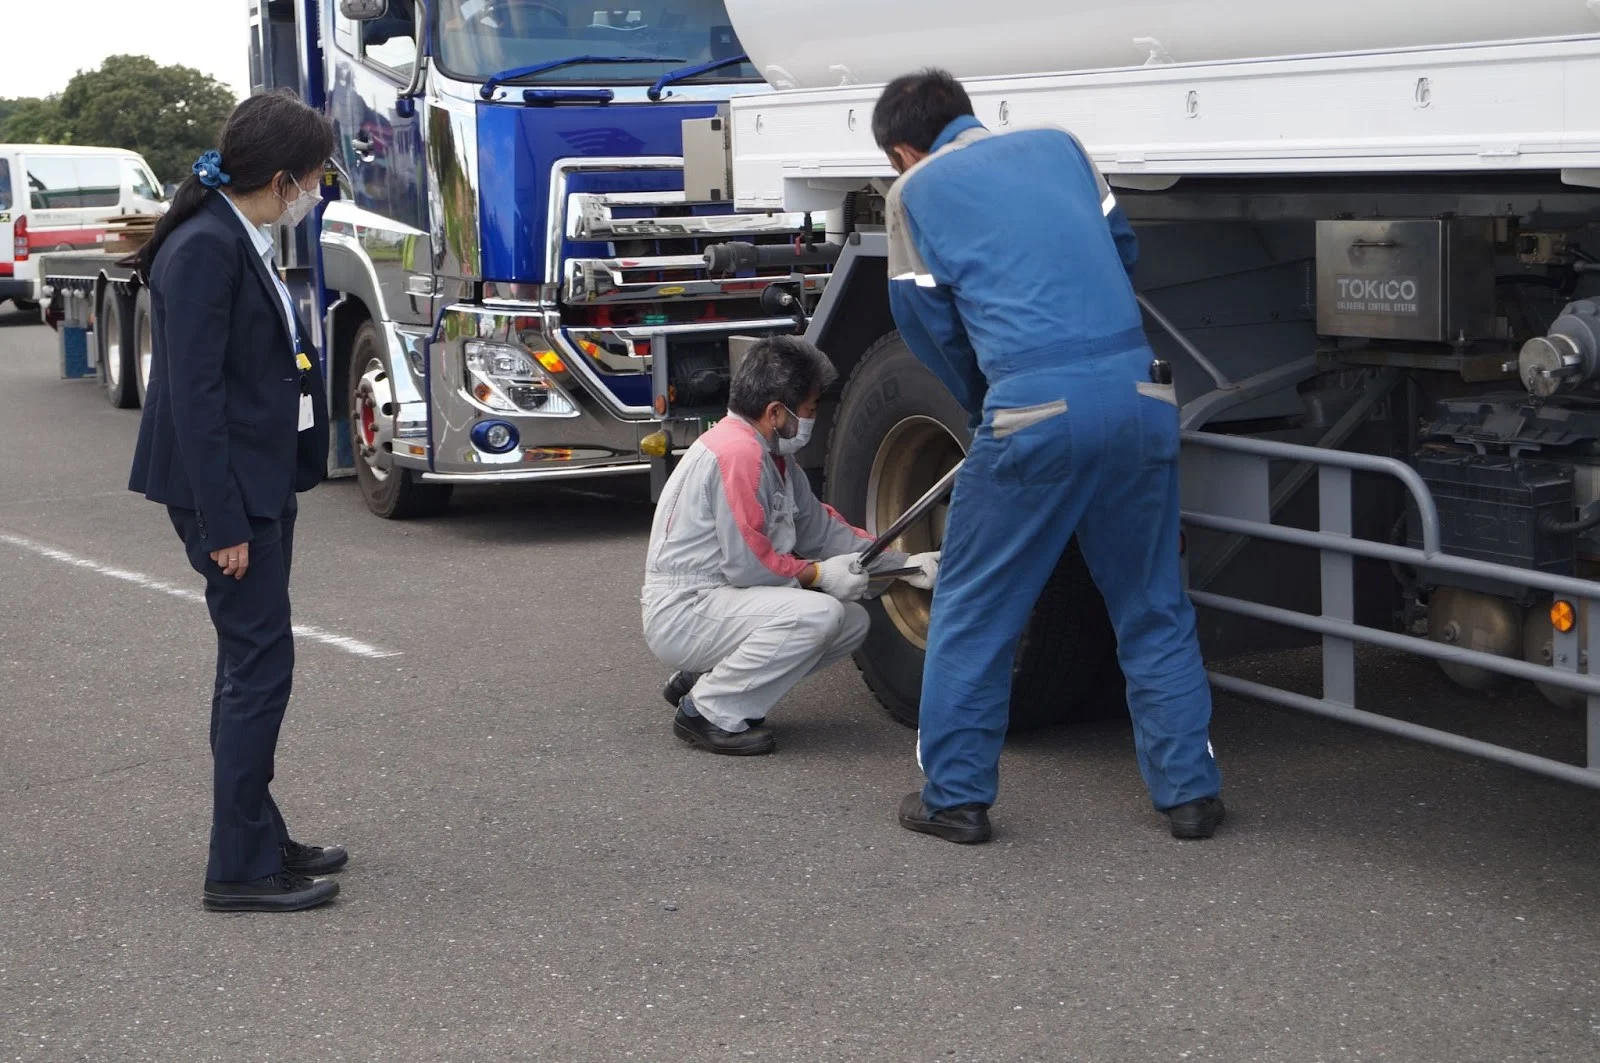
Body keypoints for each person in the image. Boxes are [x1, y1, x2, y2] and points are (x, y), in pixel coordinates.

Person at [872, 69, 1224, 845]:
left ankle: (954, 797)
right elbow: (1121, 249)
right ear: (967, 115)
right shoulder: (1064, 147)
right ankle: (1190, 794)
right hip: (1140, 395)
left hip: (1033, 408)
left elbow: (926, 322)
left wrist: (987, 399)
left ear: (903, 149)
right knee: (1153, 601)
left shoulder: (915, 193)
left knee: (974, 603)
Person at [127, 92, 343, 912]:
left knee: (249, 665)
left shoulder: (237, 234)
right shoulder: (204, 248)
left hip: (256, 480)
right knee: (260, 669)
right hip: (226, 495)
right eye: (316, 176)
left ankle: (256, 832)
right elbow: (194, 399)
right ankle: (240, 867)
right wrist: (224, 524)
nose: (318, 189)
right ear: (282, 177)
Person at [642, 336, 939, 755]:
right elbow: (750, 565)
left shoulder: (773, 458)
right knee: (819, 614)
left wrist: (907, 564)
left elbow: (822, 532)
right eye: (811, 410)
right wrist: (820, 575)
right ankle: (708, 712)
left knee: (850, 622)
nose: (813, 419)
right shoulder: (738, 455)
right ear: (776, 412)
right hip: (686, 608)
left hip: (716, 601)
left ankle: (706, 676)